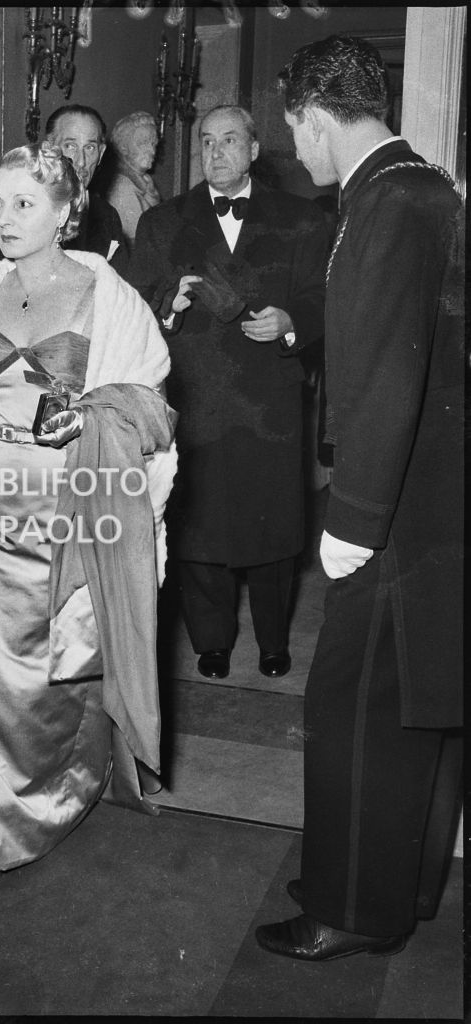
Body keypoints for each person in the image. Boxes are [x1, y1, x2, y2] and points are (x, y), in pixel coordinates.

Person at [0, 142, 178, 885]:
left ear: (66, 212)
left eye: (24, 203)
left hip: (67, 511)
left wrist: (88, 417)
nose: (5, 218)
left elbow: (151, 408)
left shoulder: (107, 294)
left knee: (55, 678)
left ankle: (63, 790)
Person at [255, 33, 464, 962]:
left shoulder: (389, 200)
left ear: (313, 114)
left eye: (293, 128)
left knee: (350, 704)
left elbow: (385, 374)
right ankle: (397, 888)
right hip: (432, 501)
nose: (294, 148)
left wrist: (353, 522)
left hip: (399, 510)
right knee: (413, 706)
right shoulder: (418, 186)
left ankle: (348, 910)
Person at [130, 104, 330, 681]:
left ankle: (273, 641)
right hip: (197, 395)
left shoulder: (302, 219)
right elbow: (136, 307)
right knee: (200, 528)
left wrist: (290, 322)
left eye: (230, 140)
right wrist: (168, 306)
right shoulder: (162, 222)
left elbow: (322, 297)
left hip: (269, 400)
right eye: (207, 142)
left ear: (254, 149)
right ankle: (211, 642)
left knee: (274, 530)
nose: (216, 152)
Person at [0, 104, 130, 312]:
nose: (81, 161)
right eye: (70, 146)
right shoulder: (17, 209)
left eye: (90, 148)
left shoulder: (106, 216)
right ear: (50, 150)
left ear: (101, 154)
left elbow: (121, 298)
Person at [105, 111, 162, 248]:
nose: (152, 151)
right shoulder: (122, 187)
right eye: (143, 143)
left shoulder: (146, 182)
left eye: (153, 144)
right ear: (123, 147)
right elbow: (137, 243)